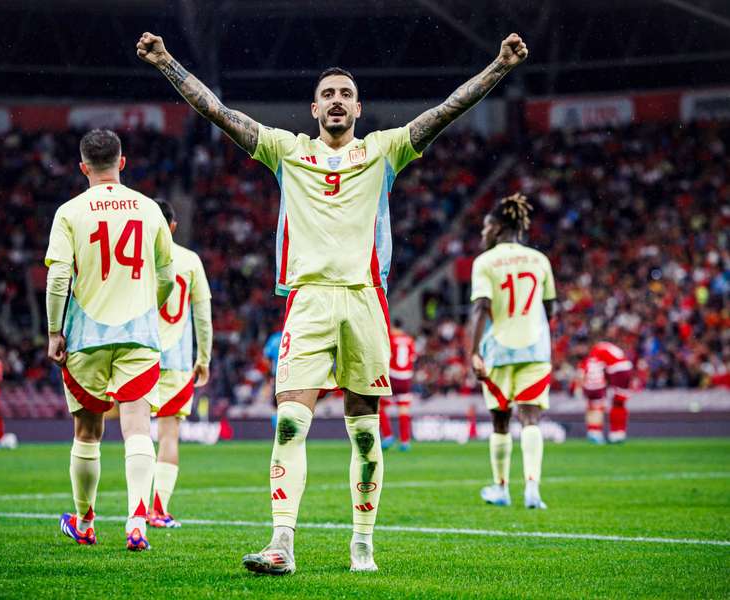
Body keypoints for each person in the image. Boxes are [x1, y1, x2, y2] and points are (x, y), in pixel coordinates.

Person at [138, 29, 529, 574]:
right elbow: (220, 112)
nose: (338, 101)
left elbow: (445, 111)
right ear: (315, 107)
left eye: (347, 93)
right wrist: (165, 63)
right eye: (329, 94)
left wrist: (499, 68)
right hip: (309, 302)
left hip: (366, 302)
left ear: (359, 107)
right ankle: (282, 543)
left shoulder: (384, 150)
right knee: (289, 422)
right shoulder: (287, 150)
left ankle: (362, 543)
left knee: (365, 433)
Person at [46, 129, 174, 551]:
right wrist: (148, 307)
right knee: (138, 426)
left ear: (83, 167)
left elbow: (59, 276)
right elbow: (167, 277)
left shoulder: (69, 212)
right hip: (138, 334)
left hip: (85, 336)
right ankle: (137, 520)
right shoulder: (149, 209)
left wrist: (53, 331)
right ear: (123, 162)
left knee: (87, 431)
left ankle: (84, 521)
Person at [469, 193, 556, 510]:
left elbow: (481, 307)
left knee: (501, 420)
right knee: (531, 418)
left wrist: (474, 352)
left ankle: (501, 488)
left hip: (499, 351)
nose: (483, 234)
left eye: (485, 228)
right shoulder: (539, 260)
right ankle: (533, 488)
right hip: (536, 349)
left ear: (498, 227)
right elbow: (551, 306)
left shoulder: (485, 262)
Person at [148, 199, 213, 529]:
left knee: (135, 434)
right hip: (175, 361)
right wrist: (204, 358)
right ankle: (158, 510)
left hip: (139, 355)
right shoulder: (189, 260)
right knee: (168, 436)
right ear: (172, 226)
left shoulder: (138, 262)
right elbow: (202, 314)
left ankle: (135, 511)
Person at [577, 341, 633, 444]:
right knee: (619, 402)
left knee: (597, 403)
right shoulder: (604, 347)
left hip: (615, 370)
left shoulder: (594, 353)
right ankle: (618, 433)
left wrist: (591, 389)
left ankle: (595, 432)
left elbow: (593, 373)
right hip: (626, 368)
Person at [381, 320, 417, 451]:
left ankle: (388, 436)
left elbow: (386, 356)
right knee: (404, 410)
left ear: (394, 328)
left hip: (393, 376)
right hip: (406, 378)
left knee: (381, 406)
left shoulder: (391, 339)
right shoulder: (410, 340)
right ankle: (405, 441)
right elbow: (412, 359)